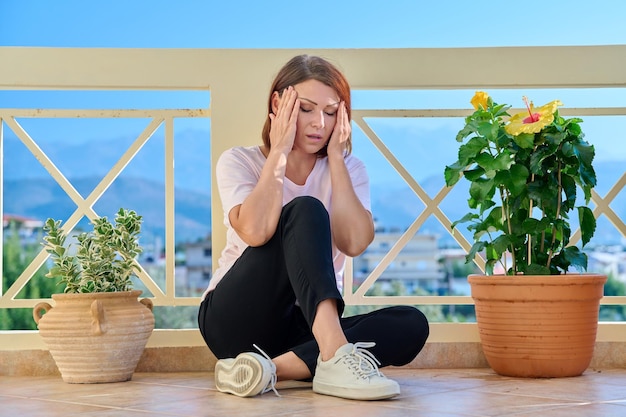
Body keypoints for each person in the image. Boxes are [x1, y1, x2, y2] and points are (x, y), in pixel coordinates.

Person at [198, 54, 429, 401]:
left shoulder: (351, 169)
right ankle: (334, 356)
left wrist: (337, 160)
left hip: (305, 328)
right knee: (306, 210)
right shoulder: (239, 161)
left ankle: (268, 369)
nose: (319, 123)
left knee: (411, 324)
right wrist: (278, 150)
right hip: (235, 318)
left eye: (331, 111)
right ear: (278, 103)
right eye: (306, 108)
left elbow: (354, 242)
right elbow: (256, 231)